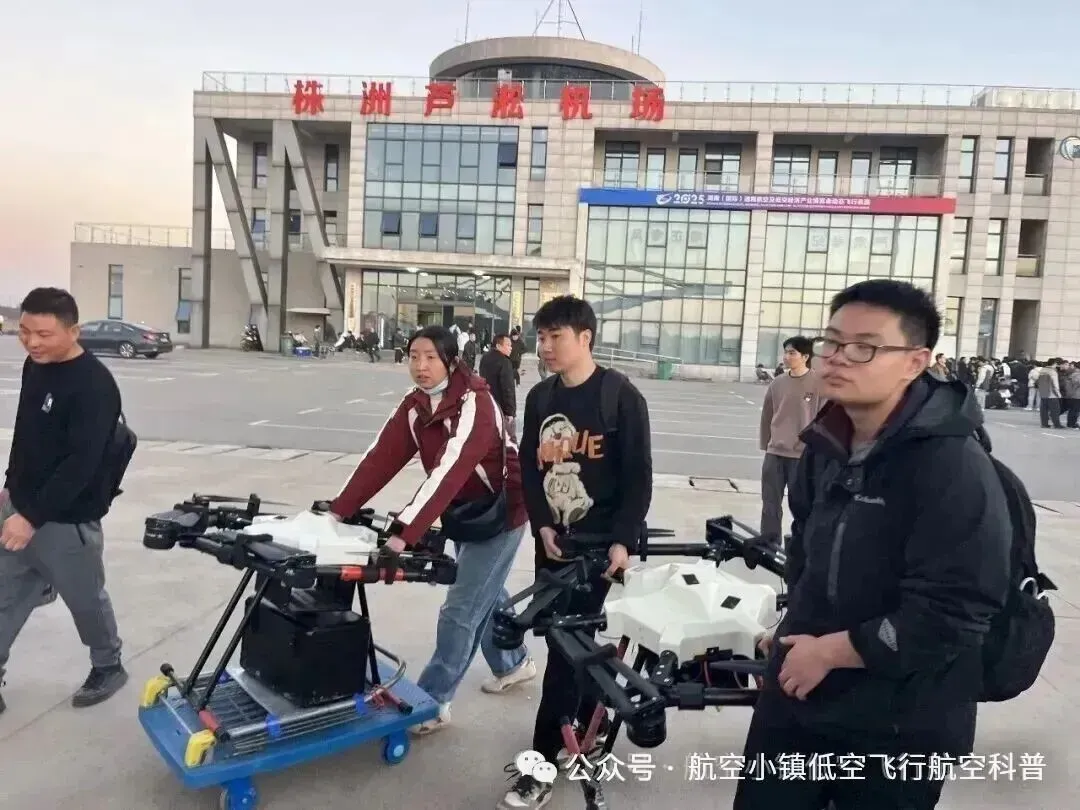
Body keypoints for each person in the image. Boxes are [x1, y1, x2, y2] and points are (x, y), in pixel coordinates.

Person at [734, 279, 1012, 810]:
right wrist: (793, 625)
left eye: (864, 347)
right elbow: (809, 552)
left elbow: (955, 611)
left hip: (900, 720)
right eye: (833, 342)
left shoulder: (954, 468)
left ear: (915, 362)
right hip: (800, 696)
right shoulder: (825, 444)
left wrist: (832, 651)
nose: (839, 357)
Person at [328, 325, 536, 734]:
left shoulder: (477, 402)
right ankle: (513, 663)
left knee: (460, 610)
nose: (420, 366)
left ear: (451, 362)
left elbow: (450, 470)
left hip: (503, 511)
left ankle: (433, 702)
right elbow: (380, 458)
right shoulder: (416, 405)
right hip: (463, 512)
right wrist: (337, 511)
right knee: (484, 592)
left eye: (430, 358)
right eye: (413, 357)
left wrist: (403, 531)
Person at [500, 296, 653, 809]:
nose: (544, 347)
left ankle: (540, 766)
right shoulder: (541, 397)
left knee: (565, 654)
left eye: (555, 337)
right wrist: (542, 526)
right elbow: (529, 467)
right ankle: (590, 718)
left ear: (585, 338)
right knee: (568, 642)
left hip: (600, 550)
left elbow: (638, 476)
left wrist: (622, 541)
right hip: (554, 545)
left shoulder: (620, 396)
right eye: (541, 337)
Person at [1, 287, 129, 714]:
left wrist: (31, 516)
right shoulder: (35, 366)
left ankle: (108, 665)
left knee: (86, 600)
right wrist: (10, 487)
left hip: (67, 520)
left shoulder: (94, 386)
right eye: (24, 332)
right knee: (4, 594)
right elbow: (26, 432)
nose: (32, 342)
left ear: (73, 331)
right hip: (19, 508)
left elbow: (81, 465)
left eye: (44, 334)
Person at [758, 336, 823, 546]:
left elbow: (823, 419)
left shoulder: (819, 384)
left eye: (792, 353)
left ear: (805, 357)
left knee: (803, 505)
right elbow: (767, 416)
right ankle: (769, 545)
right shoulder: (777, 383)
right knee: (770, 504)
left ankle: (801, 546)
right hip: (775, 452)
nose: (787, 357)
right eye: (786, 352)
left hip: (802, 455)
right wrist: (766, 444)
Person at [479, 333, 517, 437]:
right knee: (508, 440)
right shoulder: (504, 362)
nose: (510, 348)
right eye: (508, 345)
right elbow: (508, 388)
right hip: (502, 409)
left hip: (488, 406)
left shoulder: (484, 358)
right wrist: (510, 412)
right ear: (498, 346)